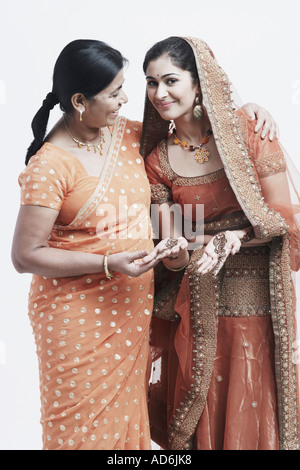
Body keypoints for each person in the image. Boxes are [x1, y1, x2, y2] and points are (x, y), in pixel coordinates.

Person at [12, 38, 278, 451]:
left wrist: (250, 110)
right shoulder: (50, 164)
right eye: (117, 92)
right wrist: (110, 263)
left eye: (127, 86)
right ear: (80, 101)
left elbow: (191, 140)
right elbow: (24, 255)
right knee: (80, 433)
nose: (132, 98)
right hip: (76, 316)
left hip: (131, 309)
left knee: (126, 432)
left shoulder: (128, 136)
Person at [141, 36, 300, 450]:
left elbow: (283, 217)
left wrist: (236, 236)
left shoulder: (249, 133)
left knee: (254, 398)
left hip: (258, 299)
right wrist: (174, 254)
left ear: (199, 82)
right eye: (151, 82)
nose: (160, 93)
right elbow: (176, 250)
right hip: (197, 305)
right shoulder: (158, 161)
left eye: (170, 80)